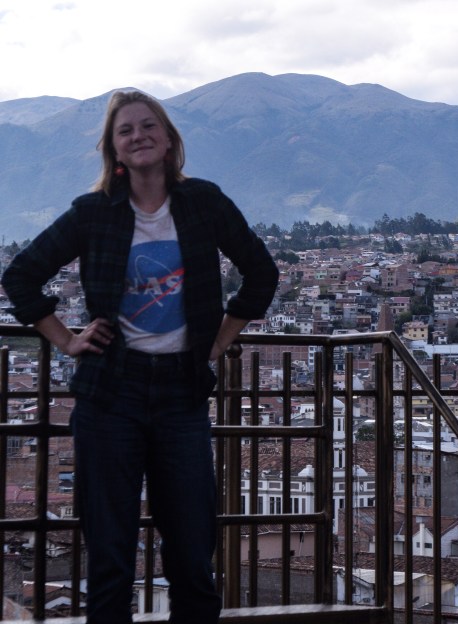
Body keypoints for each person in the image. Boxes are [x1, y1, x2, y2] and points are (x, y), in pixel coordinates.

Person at [1, 89, 279, 624]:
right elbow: (21, 275)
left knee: (193, 554)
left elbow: (261, 272)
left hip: (181, 393)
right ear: (114, 150)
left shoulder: (203, 203)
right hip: (111, 393)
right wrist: (65, 339)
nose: (138, 136)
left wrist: (219, 340)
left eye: (148, 125)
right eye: (125, 130)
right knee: (109, 559)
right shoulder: (93, 213)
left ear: (170, 139)